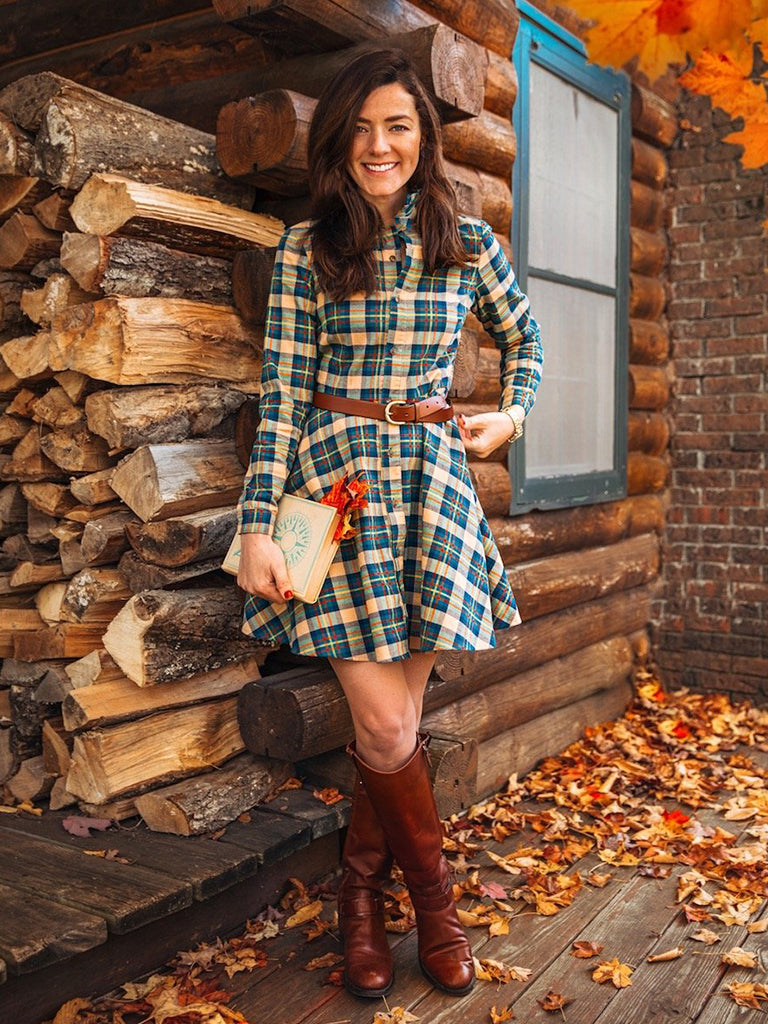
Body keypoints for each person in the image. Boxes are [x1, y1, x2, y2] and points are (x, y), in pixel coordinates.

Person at [236, 49, 543, 1000]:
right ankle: (439, 911)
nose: (380, 145)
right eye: (362, 128)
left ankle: (361, 902)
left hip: (435, 485)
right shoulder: (305, 248)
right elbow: (282, 393)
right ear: (340, 139)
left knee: (395, 724)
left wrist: (514, 410)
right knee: (382, 719)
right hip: (336, 493)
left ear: (425, 137)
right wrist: (257, 524)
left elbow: (525, 338)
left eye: (398, 126)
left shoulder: (467, 240)